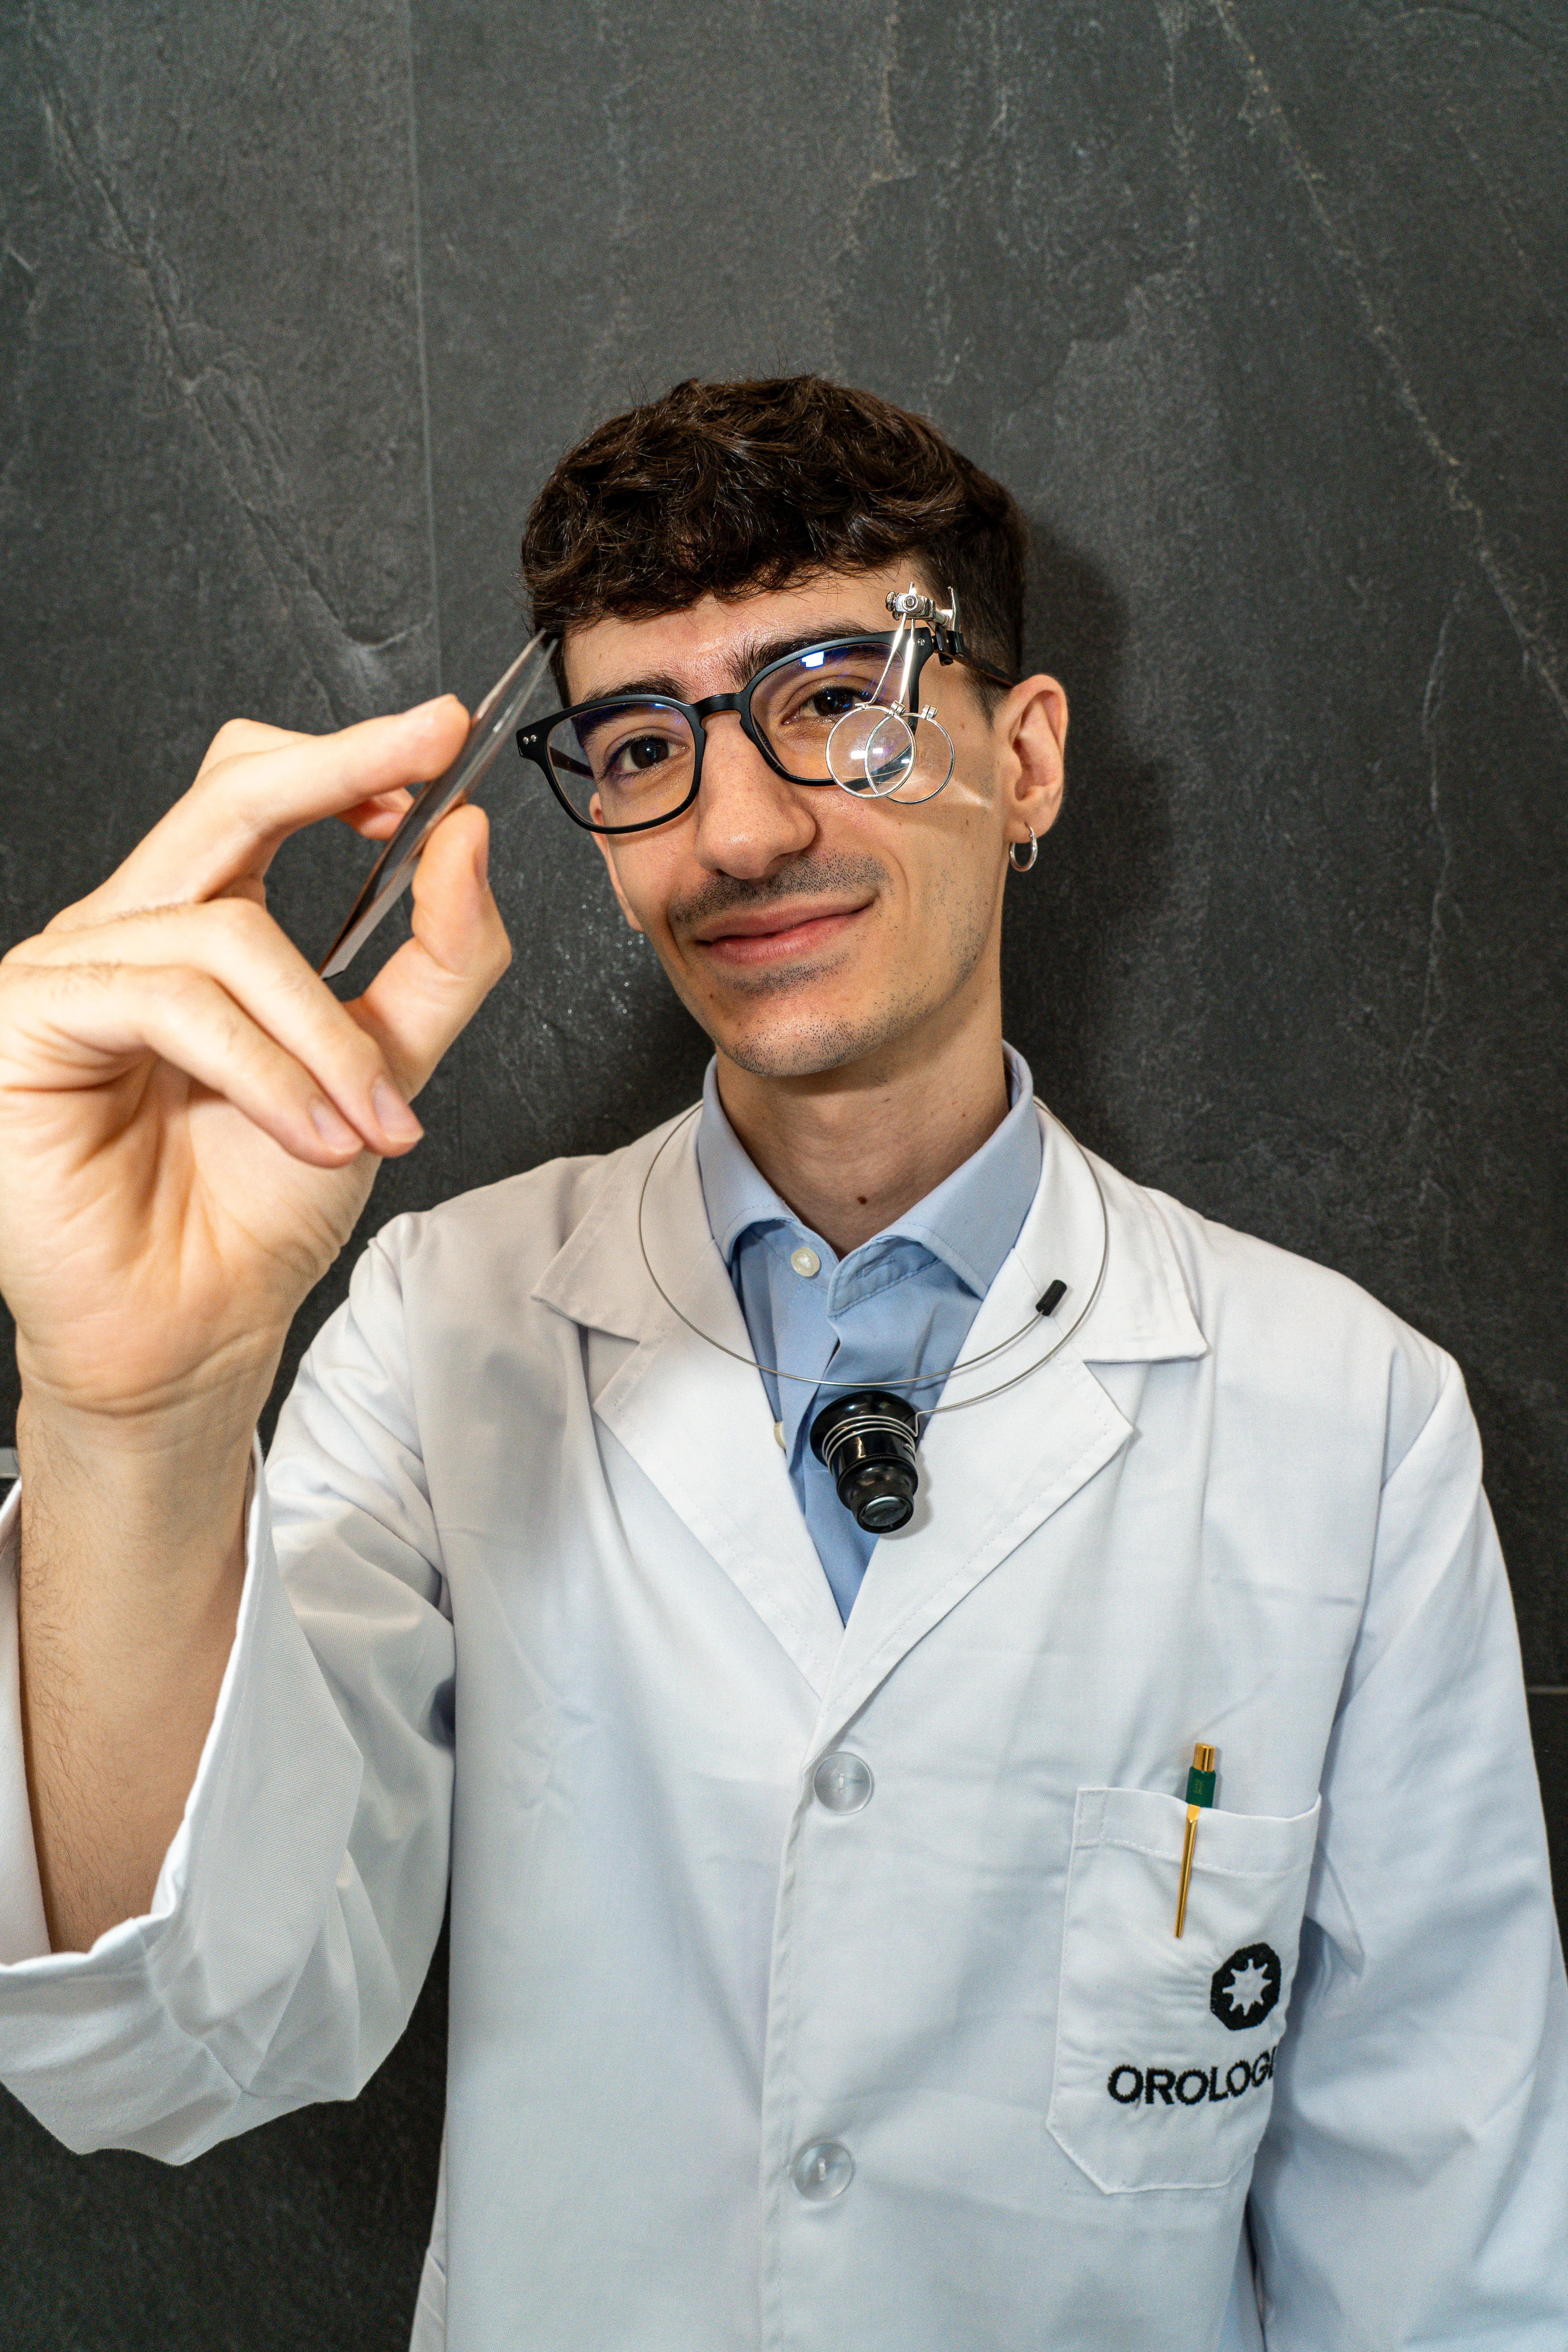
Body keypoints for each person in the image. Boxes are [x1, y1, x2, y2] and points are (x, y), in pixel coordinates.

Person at [0, 376, 1562, 2352]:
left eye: (841, 694)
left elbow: (1448, 2251)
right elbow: (177, 2041)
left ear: (1031, 758)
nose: (737, 829)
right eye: (644, 744)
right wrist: (131, 1414)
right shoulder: (444, 1326)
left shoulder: (1353, 1423)